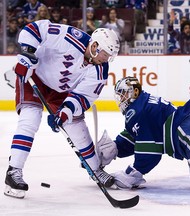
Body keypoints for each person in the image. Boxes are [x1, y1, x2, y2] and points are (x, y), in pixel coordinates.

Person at [4, 19, 120, 199]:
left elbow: (83, 97)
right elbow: (34, 29)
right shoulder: (70, 37)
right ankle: (14, 172)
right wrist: (27, 55)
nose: (106, 59)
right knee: (30, 119)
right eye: (105, 54)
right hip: (34, 75)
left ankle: (96, 170)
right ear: (95, 45)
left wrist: (65, 112)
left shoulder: (100, 69)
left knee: (77, 128)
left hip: (62, 92)